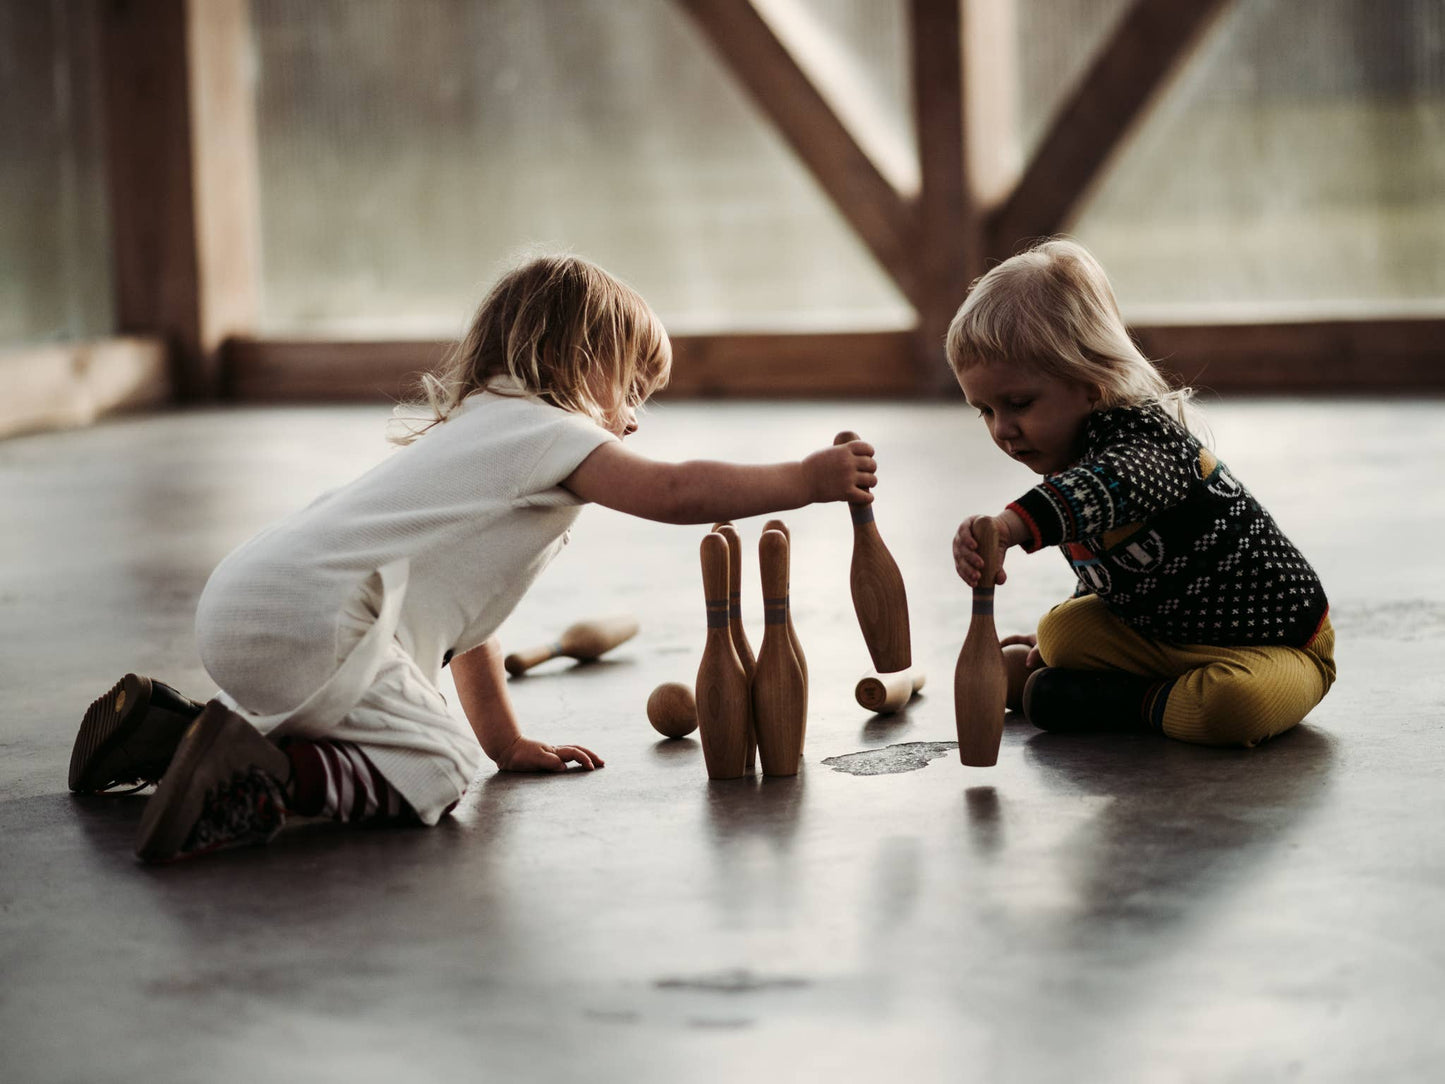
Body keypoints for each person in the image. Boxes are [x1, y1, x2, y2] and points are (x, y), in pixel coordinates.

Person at [71, 255, 877, 862]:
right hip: (325, 615)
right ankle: (269, 783)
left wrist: (509, 743)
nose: (631, 419)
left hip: (252, 598)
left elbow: (470, 628)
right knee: (434, 766)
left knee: (377, 728)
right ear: (577, 361)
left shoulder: (478, 431)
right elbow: (672, 492)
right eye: (631, 388)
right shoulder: (549, 431)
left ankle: (168, 739)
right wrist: (802, 480)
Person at [947, 239, 1335, 747]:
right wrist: (1058, 636)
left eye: (1018, 403)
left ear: (1090, 380)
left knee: (1234, 707)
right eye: (986, 411)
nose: (1003, 430)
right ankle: (1105, 684)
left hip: (1272, 645)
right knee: (1065, 632)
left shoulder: (1146, 446)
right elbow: (1115, 571)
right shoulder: (1068, 459)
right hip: (1164, 634)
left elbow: (1109, 489)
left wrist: (1011, 525)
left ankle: (1124, 701)